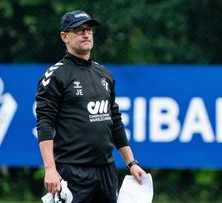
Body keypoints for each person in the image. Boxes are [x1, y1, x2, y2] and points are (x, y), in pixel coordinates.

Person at [36, 10, 146, 203]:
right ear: (65, 37)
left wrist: (131, 163)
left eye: (89, 30)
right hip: (72, 170)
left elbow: (115, 121)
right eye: (79, 30)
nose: (86, 34)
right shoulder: (55, 75)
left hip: (106, 170)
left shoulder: (104, 74)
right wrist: (50, 169)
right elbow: (45, 123)